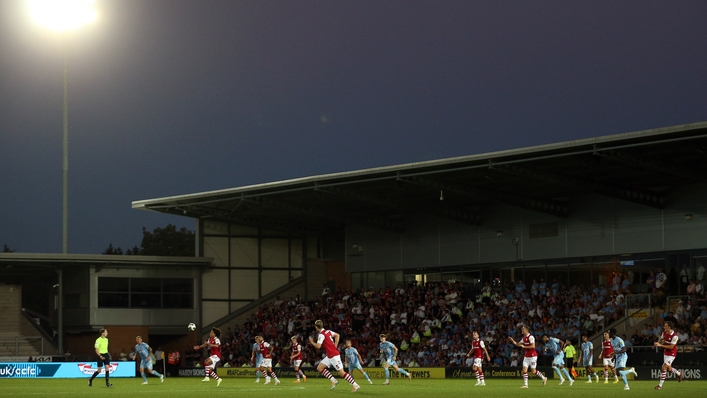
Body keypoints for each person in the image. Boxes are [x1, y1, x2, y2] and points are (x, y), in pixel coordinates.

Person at [308, 319, 361, 392]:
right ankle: (334, 380)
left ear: (316, 327)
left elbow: (318, 346)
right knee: (319, 368)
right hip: (330, 355)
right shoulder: (328, 331)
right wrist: (335, 345)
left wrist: (312, 342)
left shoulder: (321, 334)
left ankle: (355, 385)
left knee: (341, 373)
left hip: (334, 356)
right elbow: (337, 335)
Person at [507, 324, 547, 388]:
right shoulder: (524, 338)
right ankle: (526, 385)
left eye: (523, 329)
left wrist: (524, 346)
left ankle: (543, 378)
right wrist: (512, 341)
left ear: (526, 330)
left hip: (533, 356)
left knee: (533, 371)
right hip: (526, 356)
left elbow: (533, 346)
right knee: (524, 370)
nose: (522, 330)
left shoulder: (531, 337)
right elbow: (518, 344)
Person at [653, 321, 684, 389]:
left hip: (672, 353)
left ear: (669, 327)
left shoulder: (675, 336)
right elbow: (661, 340)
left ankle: (660, 386)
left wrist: (660, 345)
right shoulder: (664, 333)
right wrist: (656, 344)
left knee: (664, 367)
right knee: (669, 369)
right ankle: (679, 374)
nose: (664, 327)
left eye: (666, 326)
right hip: (666, 353)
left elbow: (671, 347)